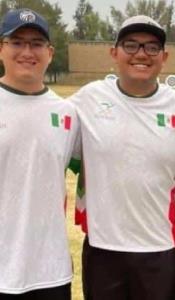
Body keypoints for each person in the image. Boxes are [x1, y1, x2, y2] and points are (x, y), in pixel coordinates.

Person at [69, 15, 175, 300]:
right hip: (102, 248)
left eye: (152, 47)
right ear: (114, 52)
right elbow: (59, 149)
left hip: (159, 248)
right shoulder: (87, 99)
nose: (141, 54)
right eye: (131, 45)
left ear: (164, 57)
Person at [0, 8, 79, 300]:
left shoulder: (68, 113)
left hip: (51, 271)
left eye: (36, 43)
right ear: (1, 49)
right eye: (16, 42)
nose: (27, 51)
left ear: (49, 52)